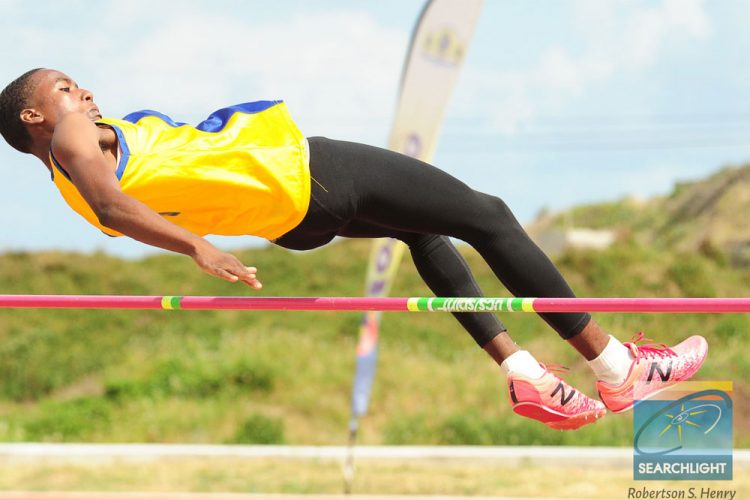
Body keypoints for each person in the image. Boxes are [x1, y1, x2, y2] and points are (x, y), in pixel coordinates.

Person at [0, 68, 708, 430]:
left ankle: (523, 369)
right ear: (34, 116)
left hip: (289, 219)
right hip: (310, 173)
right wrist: (197, 248)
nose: (84, 92)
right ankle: (619, 369)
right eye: (65, 87)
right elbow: (114, 205)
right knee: (490, 218)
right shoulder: (70, 143)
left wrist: (199, 238)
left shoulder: (70, 172)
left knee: (424, 230)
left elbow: (116, 209)